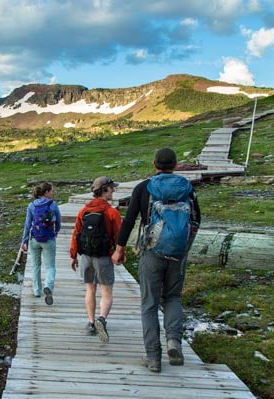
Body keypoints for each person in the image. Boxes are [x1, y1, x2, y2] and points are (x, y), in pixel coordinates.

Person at [112, 148, 200, 373]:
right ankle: (174, 341)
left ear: (154, 164)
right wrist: (184, 247)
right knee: (173, 297)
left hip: (151, 251)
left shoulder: (144, 188)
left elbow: (129, 220)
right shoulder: (186, 188)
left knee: (149, 303)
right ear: (176, 164)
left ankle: (153, 357)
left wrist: (119, 249)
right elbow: (196, 219)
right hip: (178, 253)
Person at [69, 176, 122, 342]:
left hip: (86, 256)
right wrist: (120, 254)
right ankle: (102, 319)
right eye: (111, 188)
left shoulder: (83, 211)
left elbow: (76, 234)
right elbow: (119, 236)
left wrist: (73, 256)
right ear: (104, 190)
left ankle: (91, 323)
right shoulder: (112, 212)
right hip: (104, 257)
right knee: (106, 291)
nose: (113, 190)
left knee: (90, 290)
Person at [21, 182, 62, 305]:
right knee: (50, 266)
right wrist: (55, 233)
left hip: (34, 239)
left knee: (36, 265)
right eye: (51, 191)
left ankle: (37, 290)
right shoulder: (53, 204)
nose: (53, 193)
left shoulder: (32, 205)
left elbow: (27, 225)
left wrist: (24, 241)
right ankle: (48, 286)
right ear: (46, 192)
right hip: (49, 239)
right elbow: (58, 222)